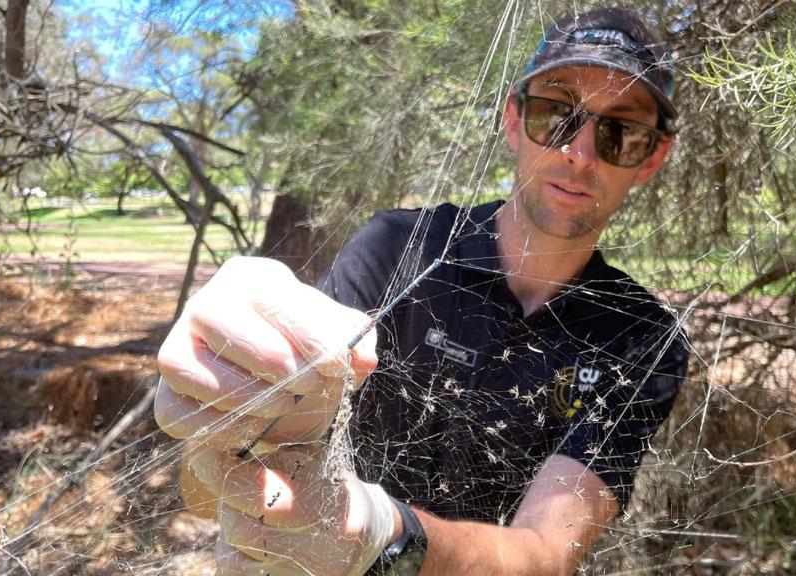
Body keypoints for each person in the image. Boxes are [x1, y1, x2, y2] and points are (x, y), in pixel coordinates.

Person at [154, 7, 689, 576]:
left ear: (651, 157)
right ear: (513, 119)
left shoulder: (643, 340)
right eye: (557, 114)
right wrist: (231, 413)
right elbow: (206, 494)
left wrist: (388, 534)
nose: (579, 153)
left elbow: (545, 555)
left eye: (621, 132)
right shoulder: (396, 248)